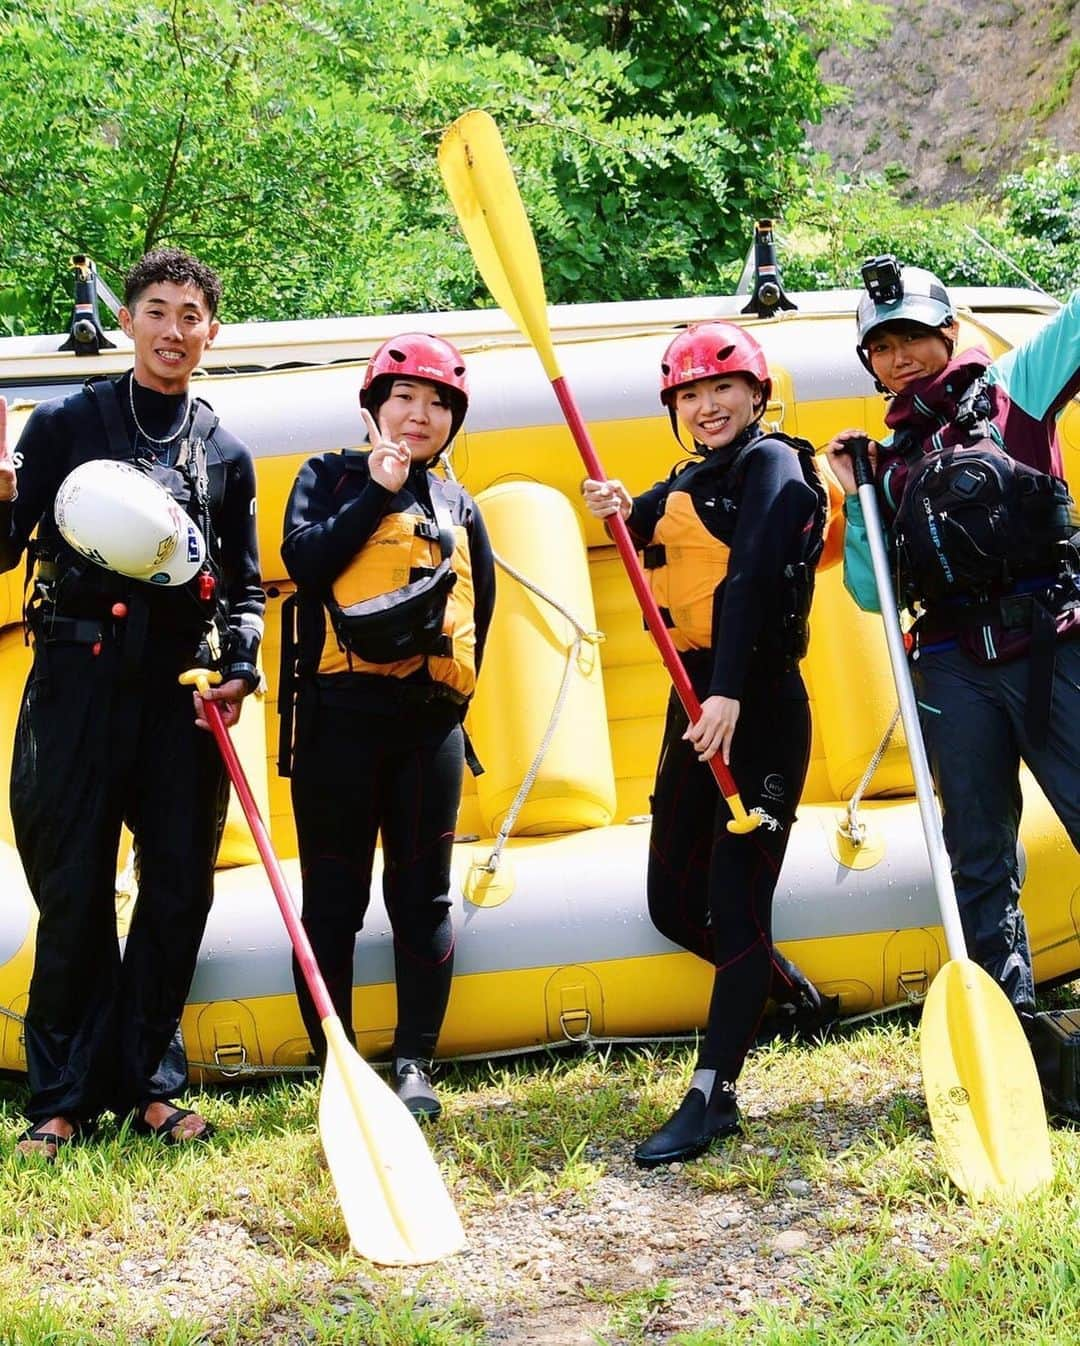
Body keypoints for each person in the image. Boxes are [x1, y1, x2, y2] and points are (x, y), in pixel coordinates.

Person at [0, 248, 264, 1159]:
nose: (174, 330)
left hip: (180, 700)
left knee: (179, 888)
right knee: (71, 890)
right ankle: (62, 1096)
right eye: (157, 310)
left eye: (192, 315)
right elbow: (4, 547)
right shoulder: (68, 422)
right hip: (76, 688)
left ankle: (150, 1084)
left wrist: (244, 667)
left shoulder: (225, 453)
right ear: (129, 323)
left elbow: (246, 589)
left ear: (211, 333)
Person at [825, 260, 1080, 1104]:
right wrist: (857, 497)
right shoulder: (888, 464)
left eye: (912, 339)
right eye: (882, 347)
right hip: (950, 666)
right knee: (978, 852)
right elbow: (872, 594)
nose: (900, 359)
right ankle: (1015, 1039)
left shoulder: (1015, 392)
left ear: (949, 332)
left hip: (1051, 643)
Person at [583, 321, 830, 1166]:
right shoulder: (691, 476)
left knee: (740, 898)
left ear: (757, 394)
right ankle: (776, 985)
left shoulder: (776, 466)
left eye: (722, 388)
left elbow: (754, 573)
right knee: (670, 902)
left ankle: (712, 1093)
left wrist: (725, 690)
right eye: (689, 394)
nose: (706, 405)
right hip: (692, 707)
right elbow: (645, 518)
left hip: (752, 703)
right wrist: (620, 505)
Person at [280, 333, 495, 1120]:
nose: (420, 414)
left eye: (438, 404)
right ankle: (334, 1059)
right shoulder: (328, 476)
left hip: (426, 729)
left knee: (423, 900)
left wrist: (453, 707)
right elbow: (304, 563)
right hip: (338, 725)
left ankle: (414, 1063)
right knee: (332, 901)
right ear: (373, 406)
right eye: (403, 398)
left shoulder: (459, 506)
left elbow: (486, 611)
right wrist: (376, 491)